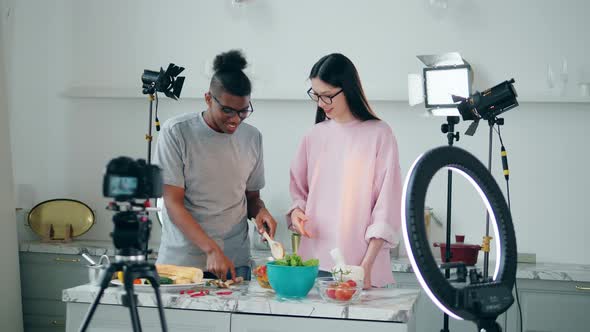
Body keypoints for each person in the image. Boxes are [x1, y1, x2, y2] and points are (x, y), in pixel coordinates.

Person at [155, 49, 277, 281]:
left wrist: (261, 211)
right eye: (227, 110)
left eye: (243, 111)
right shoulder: (177, 132)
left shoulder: (252, 138)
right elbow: (172, 203)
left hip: (234, 264)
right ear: (209, 99)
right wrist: (211, 249)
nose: (235, 119)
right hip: (182, 265)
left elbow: (251, 197)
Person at [287, 53, 402, 288]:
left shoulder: (379, 134)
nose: (321, 103)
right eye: (316, 95)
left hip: (360, 268)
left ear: (348, 89)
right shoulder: (314, 136)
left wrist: (366, 266)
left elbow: (386, 207)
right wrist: (297, 212)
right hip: (315, 266)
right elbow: (300, 193)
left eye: (327, 96)